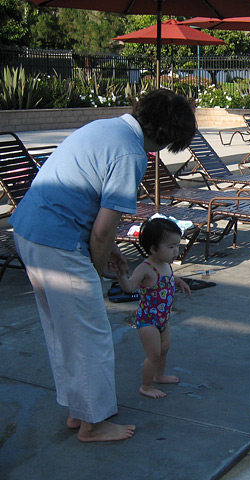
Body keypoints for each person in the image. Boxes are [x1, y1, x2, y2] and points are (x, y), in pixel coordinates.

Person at [10, 89, 196, 442]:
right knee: (89, 334)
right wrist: (93, 271)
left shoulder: (104, 126)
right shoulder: (131, 153)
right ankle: (93, 425)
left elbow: (93, 217)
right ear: (166, 133)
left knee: (64, 332)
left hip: (30, 231)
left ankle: (78, 412)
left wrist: (104, 251)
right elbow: (103, 229)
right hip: (58, 242)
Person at [116, 218, 191, 399]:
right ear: (153, 248)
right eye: (171, 246)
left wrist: (179, 281)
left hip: (163, 319)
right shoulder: (146, 268)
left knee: (165, 349)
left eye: (177, 246)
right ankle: (146, 386)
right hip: (148, 320)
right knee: (153, 354)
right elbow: (129, 287)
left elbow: (169, 278)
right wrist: (121, 275)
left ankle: (159, 375)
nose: (176, 251)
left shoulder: (165, 265)